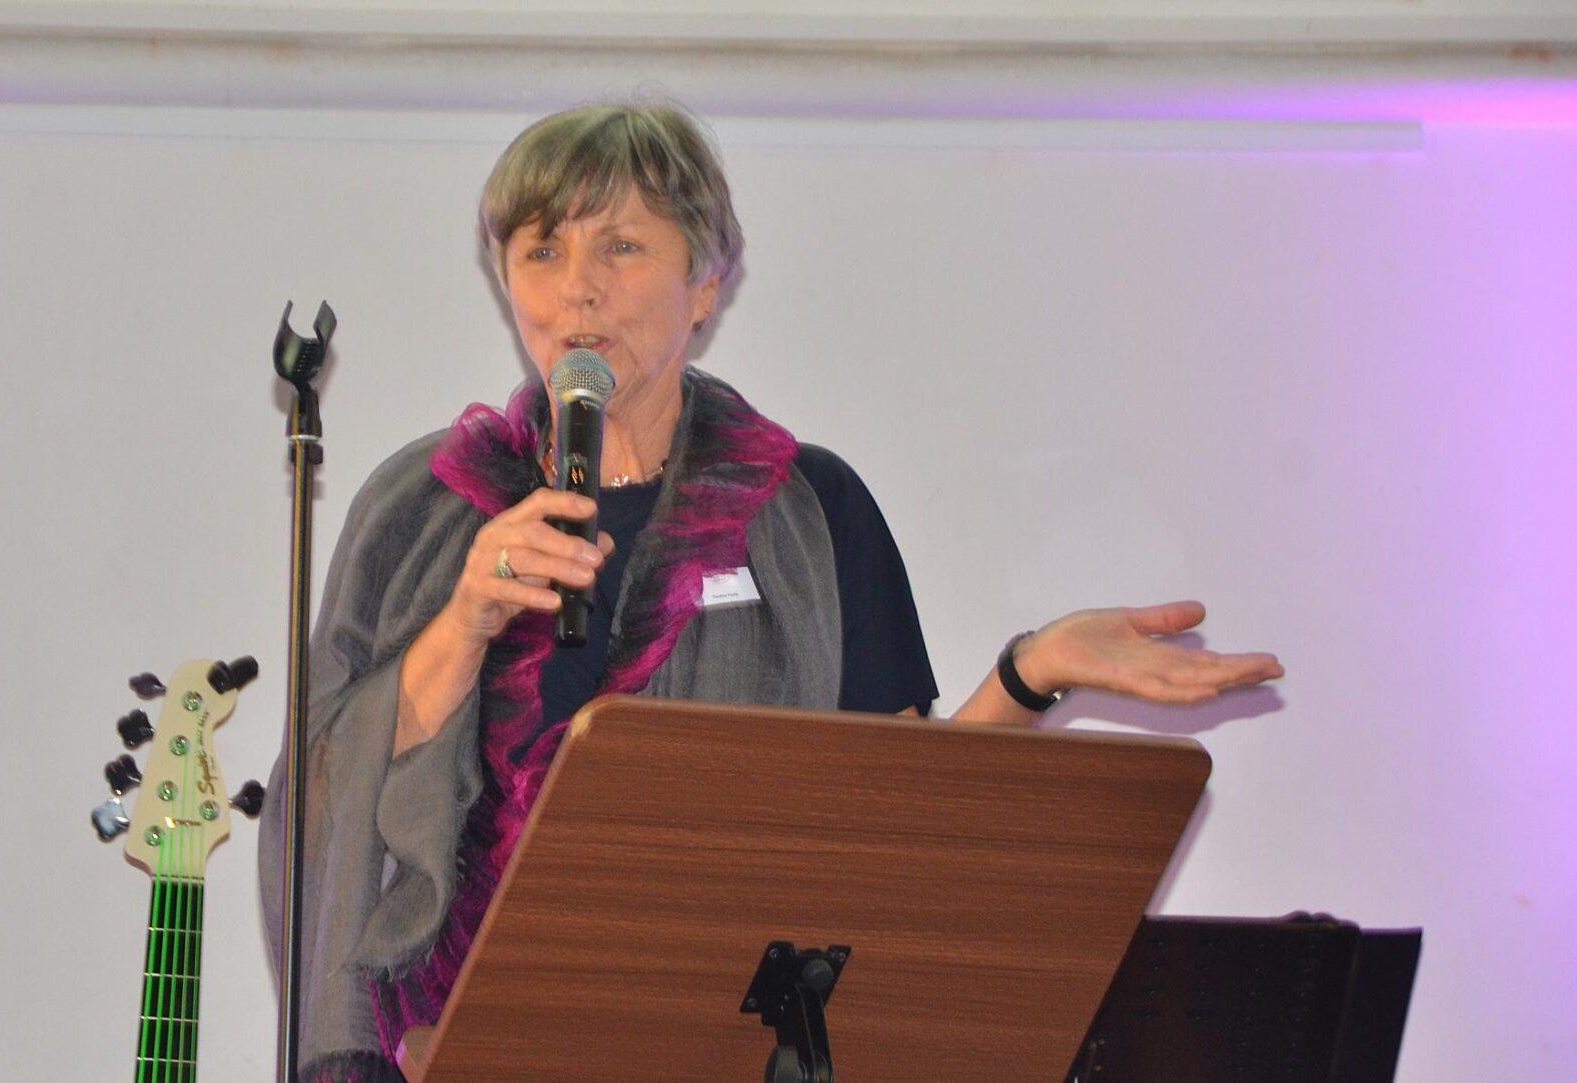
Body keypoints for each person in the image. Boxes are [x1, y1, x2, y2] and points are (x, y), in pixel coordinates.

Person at [258, 101, 1283, 1081]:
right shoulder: (422, 506)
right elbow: (320, 797)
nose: (579, 289)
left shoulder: (809, 509)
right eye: (542, 251)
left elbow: (904, 817)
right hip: (462, 1053)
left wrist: (1032, 671)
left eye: (621, 246)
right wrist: (464, 623)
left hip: (721, 1052)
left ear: (706, 282)